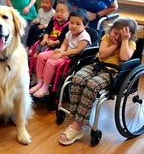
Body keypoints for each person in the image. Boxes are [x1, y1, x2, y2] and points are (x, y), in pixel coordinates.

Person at [58, 17, 137, 146]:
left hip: (112, 72)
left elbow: (124, 57)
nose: (116, 37)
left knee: (91, 86)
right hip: (96, 65)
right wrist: (115, 44)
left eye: (121, 35)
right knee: (76, 79)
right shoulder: (106, 37)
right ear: (110, 30)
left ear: (129, 36)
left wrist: (124, 41)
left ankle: (77, 126)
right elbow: (103, 54)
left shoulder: (130, 44)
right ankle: (76, 118)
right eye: (115, 33)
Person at [30, 8, 91, 98]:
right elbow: (64, 44)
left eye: (78, 24)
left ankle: (45, 87)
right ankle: (39, 82)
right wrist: (61, 50)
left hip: (72, 58)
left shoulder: (84, 36)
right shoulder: (69, 32)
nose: (73, 26)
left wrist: (62, 54)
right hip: (65, 53)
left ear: (85, 25)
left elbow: (78, 50)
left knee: (50, 62)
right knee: (41, 55)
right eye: (71, 22)